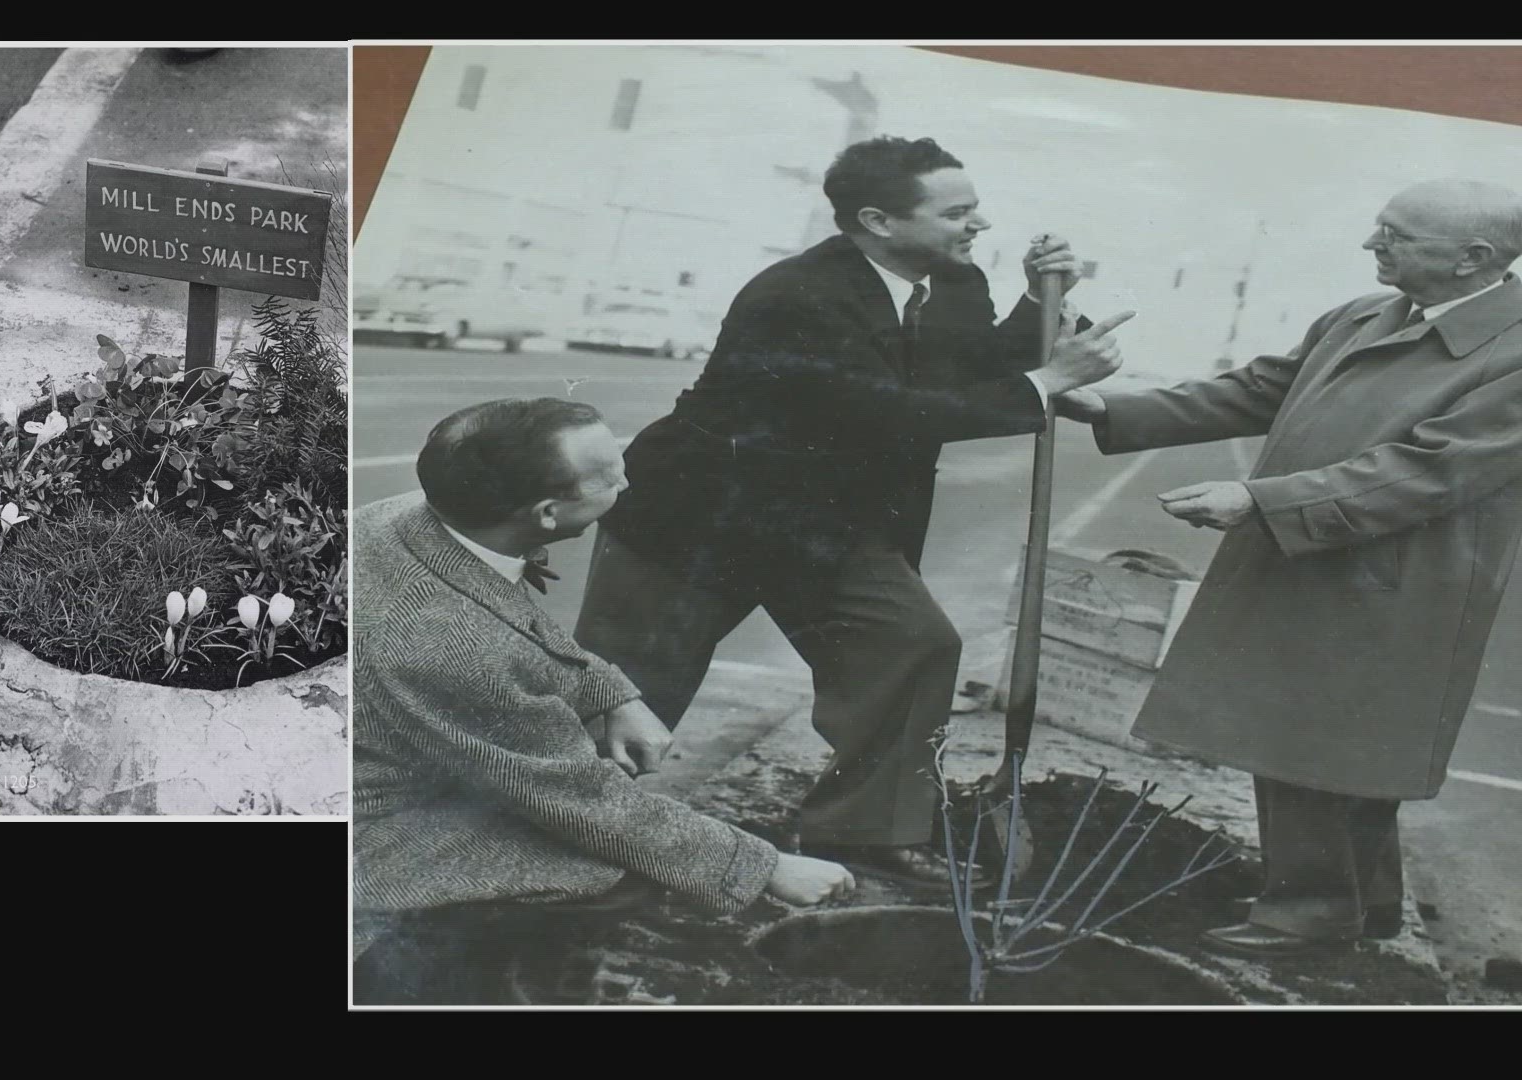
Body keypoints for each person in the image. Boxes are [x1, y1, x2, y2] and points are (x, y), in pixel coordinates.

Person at [573, 135, 1135, 891]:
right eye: (957, 212)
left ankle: (862, 832)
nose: (980, 226)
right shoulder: (796, 295)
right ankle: (556, 831)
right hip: (703, 519)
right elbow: (882, 412)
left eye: (976, 210)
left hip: (823, 525)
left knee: (914, 646)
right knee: (629, 691)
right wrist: (1047, 382)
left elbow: (970, 363)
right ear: (878, 221)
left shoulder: (952, 281)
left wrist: (1039, 301)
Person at [1055, 179, 1522, 957]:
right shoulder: (1367, 314)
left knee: (1327, 737)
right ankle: (1363, 902)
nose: (1372, 244)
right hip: (1322, 550)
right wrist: (1116, 409)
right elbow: (1264, 389)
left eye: (1396, 234)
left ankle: (1309, 911)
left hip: (1400, 576)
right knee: (1330, 734)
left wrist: (1261, 500)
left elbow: (1428, 471)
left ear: (1473, 259)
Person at [353, 398, 856, 952]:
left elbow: (508, 620)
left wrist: (610, 696)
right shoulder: (455, 648)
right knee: (616, 870)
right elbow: (584, 802)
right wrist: (764, 867)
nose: (628, 480)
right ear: (547, 514)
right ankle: (443, 974)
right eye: (610, 477)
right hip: (373, 833)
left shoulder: (409, 518)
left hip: (373, 766)